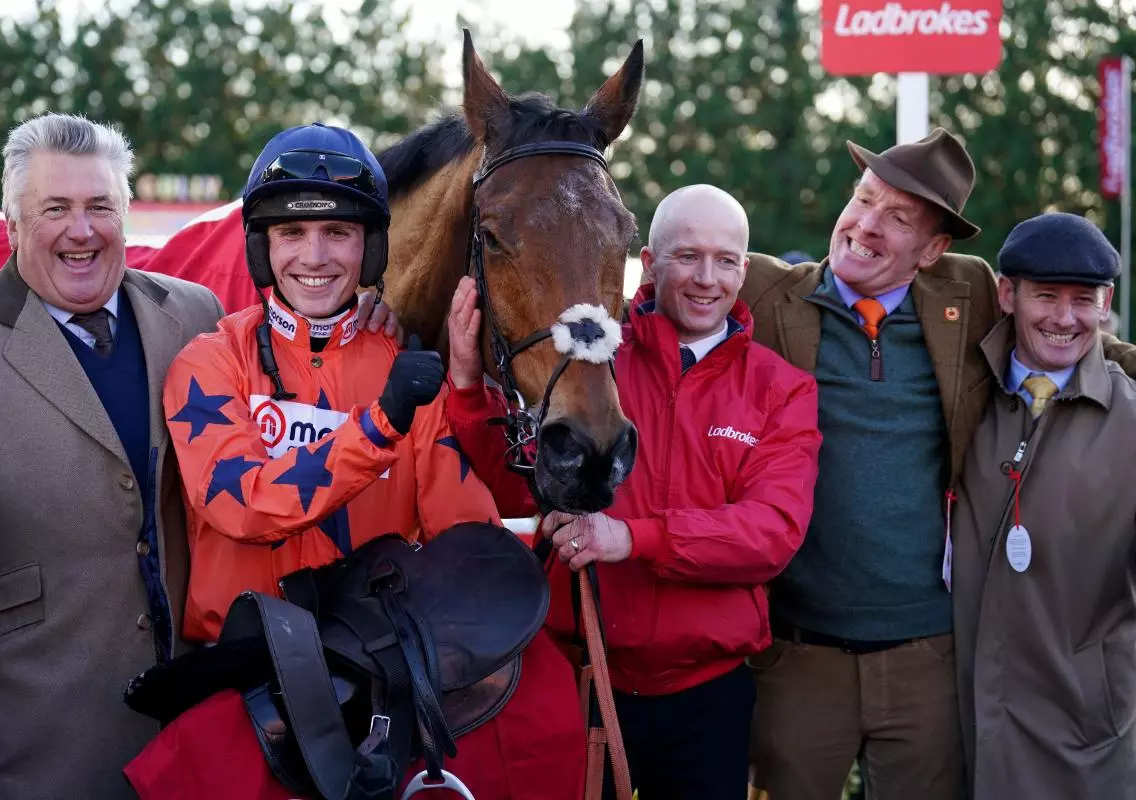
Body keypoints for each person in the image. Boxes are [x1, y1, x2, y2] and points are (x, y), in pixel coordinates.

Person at [158, 122, 587, 799]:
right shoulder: (210, 364)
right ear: (263, 248)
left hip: (373, 673)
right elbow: (242, 507)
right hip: (247, 680)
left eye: (339, 233)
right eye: (292, 234)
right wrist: (380, 422)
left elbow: (461, 533)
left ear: (372, 246)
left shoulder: (407, 369)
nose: (316, 256)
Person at [740, 129, 1136, 800]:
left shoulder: (972, 294)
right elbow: (674, 278)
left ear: (933, 251)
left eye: (897, 218)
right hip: (799, 652)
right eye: (864, 199)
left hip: (930, 655)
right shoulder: (765, 292)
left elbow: (1084, 342)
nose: (865, 225)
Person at [445, 183, 823, 799]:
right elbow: (519, 492)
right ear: (647, 264)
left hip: (706, 694)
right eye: (687, 257)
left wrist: (631, 537)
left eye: (725, 261)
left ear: (744, 270)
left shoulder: (781, 389)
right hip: (583, 679)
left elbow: (771, 533)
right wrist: (466, 389)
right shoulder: (592, 356)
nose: (707, 278)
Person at [0, 113, 226, 799]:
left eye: (101, 206)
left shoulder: (197, 315)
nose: (82, 229)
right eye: (55, 209)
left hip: (186, 733)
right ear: (11, 224)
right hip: (23, 741)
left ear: (126, 213)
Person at [952, 212, 1136, 798]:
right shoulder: (959, 396)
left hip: (1085, 737)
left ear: (1105, 305)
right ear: (1007, 295)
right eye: (1046, 296)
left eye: (1084, 300)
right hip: (953, 725)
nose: (1064, 318)